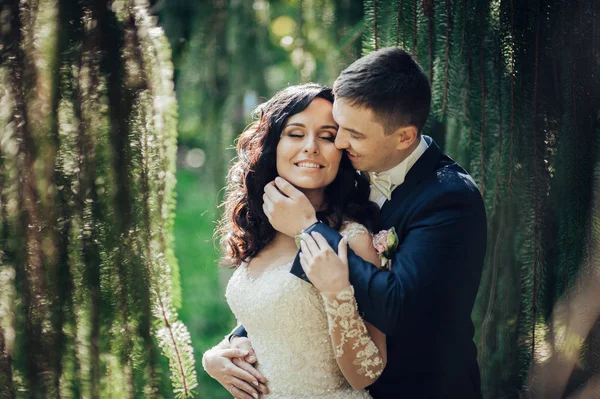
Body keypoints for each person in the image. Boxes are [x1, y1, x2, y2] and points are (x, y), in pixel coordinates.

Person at [206, 47, 488, 399]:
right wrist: (225, 350)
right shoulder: (354, 183)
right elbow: (292, 310)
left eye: (347, 133)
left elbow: (401, 309)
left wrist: (308, 231)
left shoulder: (448, 197)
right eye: (336, 129)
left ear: (404, 137)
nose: (337, 143)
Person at [204, 83, 390, 399]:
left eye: (328, 136)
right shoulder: (261, 232)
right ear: (272, 144)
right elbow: (269, 321)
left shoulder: (353, 240)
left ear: (342, 151)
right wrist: (219, 354)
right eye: (295, 133)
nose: (311, 147)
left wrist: (336, 291)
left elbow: (367, 374)